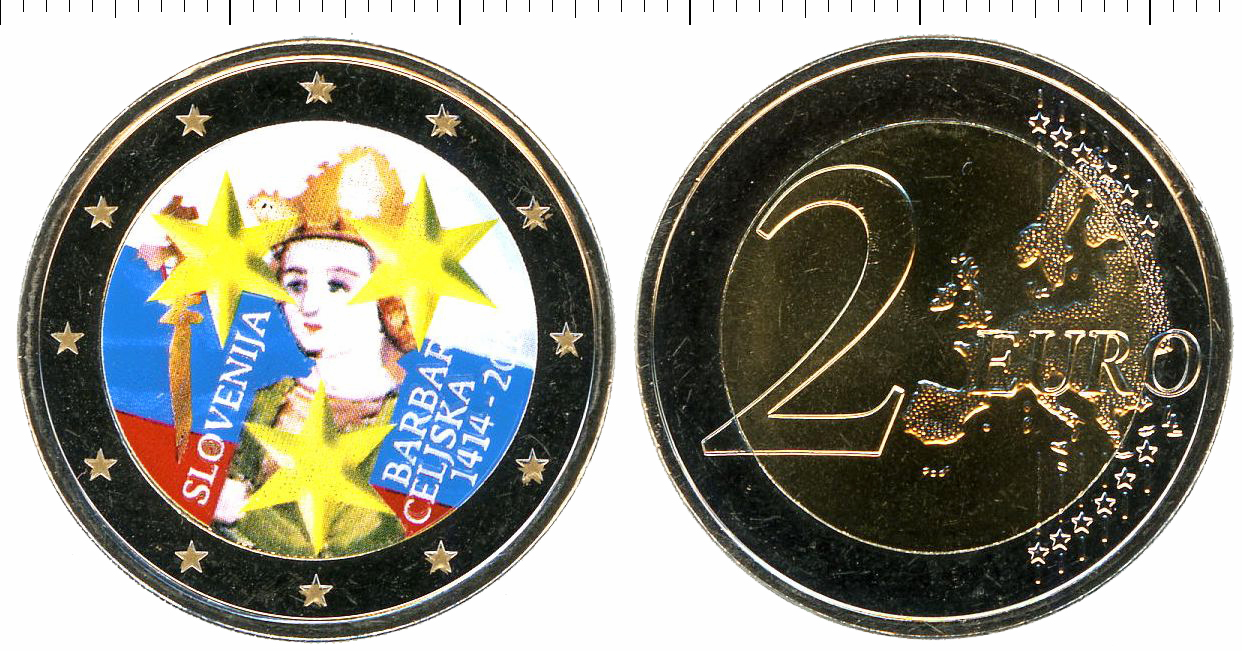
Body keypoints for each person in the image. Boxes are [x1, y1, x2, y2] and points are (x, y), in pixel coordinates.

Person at [214, 148, 419, 557]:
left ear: (389, 297)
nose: (308, 305)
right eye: (295, 284)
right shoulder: (270, 400)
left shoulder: (408, 418)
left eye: (338, 285)